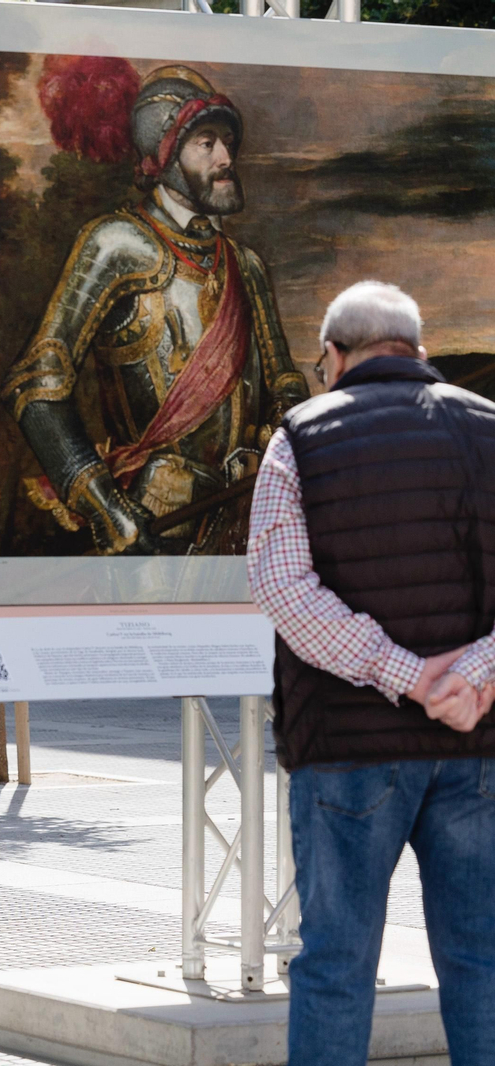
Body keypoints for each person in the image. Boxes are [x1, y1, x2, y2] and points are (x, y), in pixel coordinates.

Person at [247, 280, 495, 1065]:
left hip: (347, 756)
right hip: (478, 748)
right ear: (421, 353)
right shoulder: (491, 430)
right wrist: (474, 679)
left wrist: (404, 675)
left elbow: (284, 588)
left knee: (335, 966)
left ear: (333, 357)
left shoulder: (297, 438)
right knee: (482, 962)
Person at [5, 64, 308, 555]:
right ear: (163, 157)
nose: (227, 157)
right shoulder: (115, 243)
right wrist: (106, 508)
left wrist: (282, 429)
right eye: (206, 143)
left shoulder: (246, 265)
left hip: (247, 515)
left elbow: (284, 380)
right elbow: (36, 383)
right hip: (155, 518)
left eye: (226, 141)